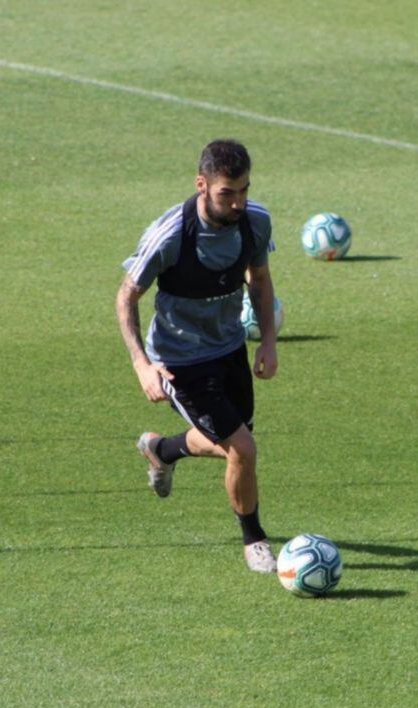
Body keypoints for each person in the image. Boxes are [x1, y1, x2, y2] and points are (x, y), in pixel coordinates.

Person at [115, 139, 279, 573]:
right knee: (242, 447)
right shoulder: (170, 234)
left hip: (228, 348)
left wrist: (267, 342)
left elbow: (259, 280)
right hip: (179, 358)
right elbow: (126, 297)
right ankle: (254, 538)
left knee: (233, 447)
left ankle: (162, 450)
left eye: (244, 189)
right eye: (228, 192)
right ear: (202, 185)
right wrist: (141, 365)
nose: (239, 202)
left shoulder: (255, 222)